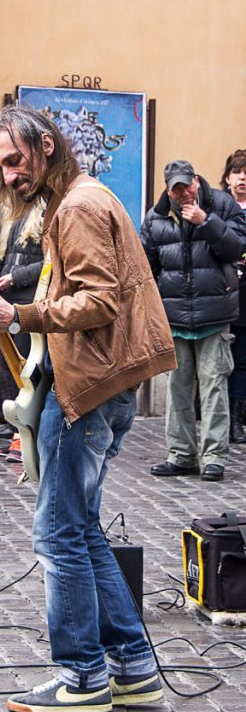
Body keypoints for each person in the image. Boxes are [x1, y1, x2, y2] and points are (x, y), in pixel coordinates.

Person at [0, 103, 176, 712]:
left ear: (47, 148)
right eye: (1, 166)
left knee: (58, 534)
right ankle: (133, 669)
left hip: (88, 388)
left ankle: (84, 677)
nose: (7, 176)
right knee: (81, 529)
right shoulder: (80, 199)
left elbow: (99, 302)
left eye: (15, 161)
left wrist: (22, 314)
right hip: (97, 384)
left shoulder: (79, 205)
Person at [141, 159, 246, 482]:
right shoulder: (156, 218)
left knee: (214, 386)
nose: (184, 193)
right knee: (178, 389)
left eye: (188, 185)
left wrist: (206, 222)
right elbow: (147, 268)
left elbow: (238, 249)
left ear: (197, 181)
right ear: (167, 190)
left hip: (215, 314)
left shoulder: (223, 206)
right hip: (174, 317)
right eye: (177, 189)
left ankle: (214, 456)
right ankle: (182, 455)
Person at [0, 199, 44, 462]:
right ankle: (14, 427)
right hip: (5, 298)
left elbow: (50, 263)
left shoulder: (46, 213)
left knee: (25, 370)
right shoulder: (10, 213)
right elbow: (0, 256)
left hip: (29, 300)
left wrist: (16, 277)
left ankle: (25, 433)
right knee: (4, 365)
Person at [219, 150, 246, 444]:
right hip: (222, 293)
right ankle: (218, 417)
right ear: (227, 177)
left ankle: (237, 421)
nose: (243, 177)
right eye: (237, 171)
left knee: (242, 359)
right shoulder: (218, 207)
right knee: (220, 361)